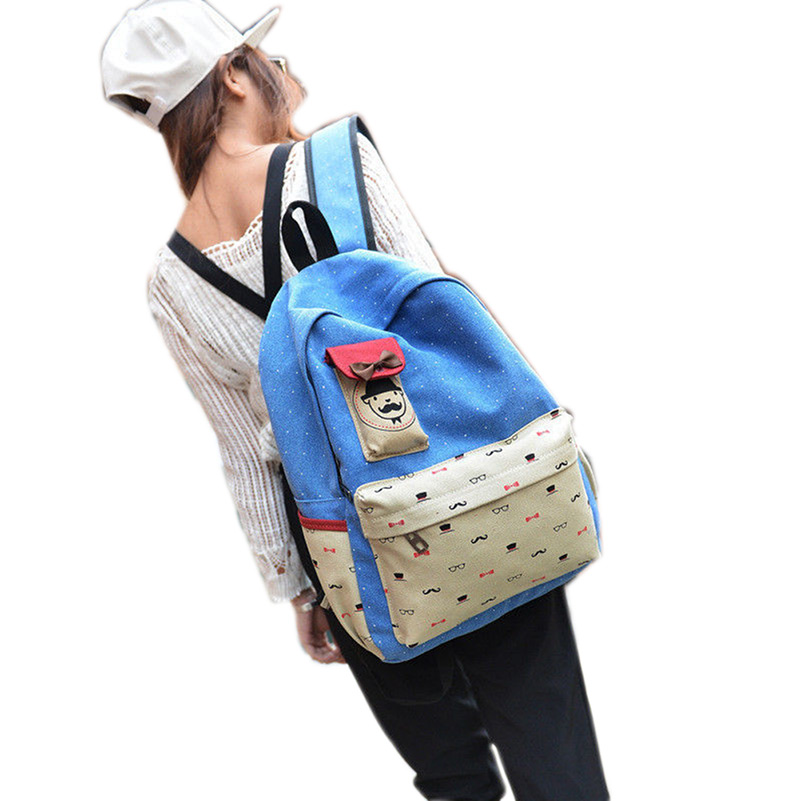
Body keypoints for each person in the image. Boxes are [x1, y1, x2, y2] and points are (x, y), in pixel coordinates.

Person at [101, 2, 610, 799]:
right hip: (461, 485)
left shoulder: (171, 280)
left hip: (338, 537)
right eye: (262, 56)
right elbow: (451, 313)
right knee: (554, 754)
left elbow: (243, 451)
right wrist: (544, 437)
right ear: (232, 75)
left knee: (450, 772)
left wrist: (296, 584)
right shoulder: (333, 164)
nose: (280, 67)